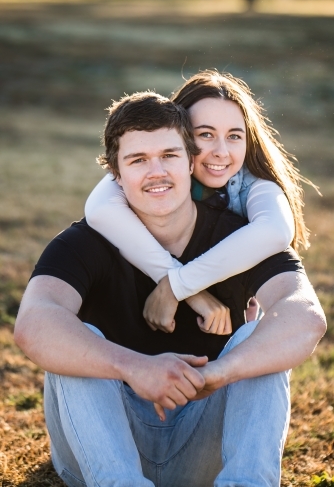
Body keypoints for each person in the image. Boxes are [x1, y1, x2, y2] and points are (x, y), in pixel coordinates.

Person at [15, 91, 326, 487]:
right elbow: (33, 323)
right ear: (115, 172)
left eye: (169, 156)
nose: (156, 172)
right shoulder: (83, 241)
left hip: (200, 442)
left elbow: (305, 318)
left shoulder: (239, 237)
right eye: (138, 160)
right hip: (99, 453)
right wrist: (134, 366)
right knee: (79, 338)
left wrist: (219, 373)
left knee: (255, 337)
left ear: (190, 160)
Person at [85, 70, 314, 334]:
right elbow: (100, 209)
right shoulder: (154, 172)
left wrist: (176, 286)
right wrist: (189, 291)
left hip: (234, 329)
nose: (221, 151)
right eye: (205, 134)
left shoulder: (252, 185)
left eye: (234, 136)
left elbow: (275, 231)